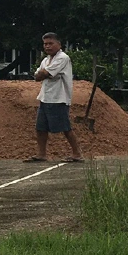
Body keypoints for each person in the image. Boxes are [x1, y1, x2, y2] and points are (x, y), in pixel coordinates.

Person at [26, 32, 83, 163]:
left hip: (59, 98)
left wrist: (43, 73)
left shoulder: (63, 58)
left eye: (50, 43)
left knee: (65, 127)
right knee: (40, 128)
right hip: (45, 97)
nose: (47, 46)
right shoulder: (46, 60)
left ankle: (77, 153)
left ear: (59, 44)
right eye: (45, 44)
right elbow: (37, 76)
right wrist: (43, 73)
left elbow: (45, 73)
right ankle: (41, 154)